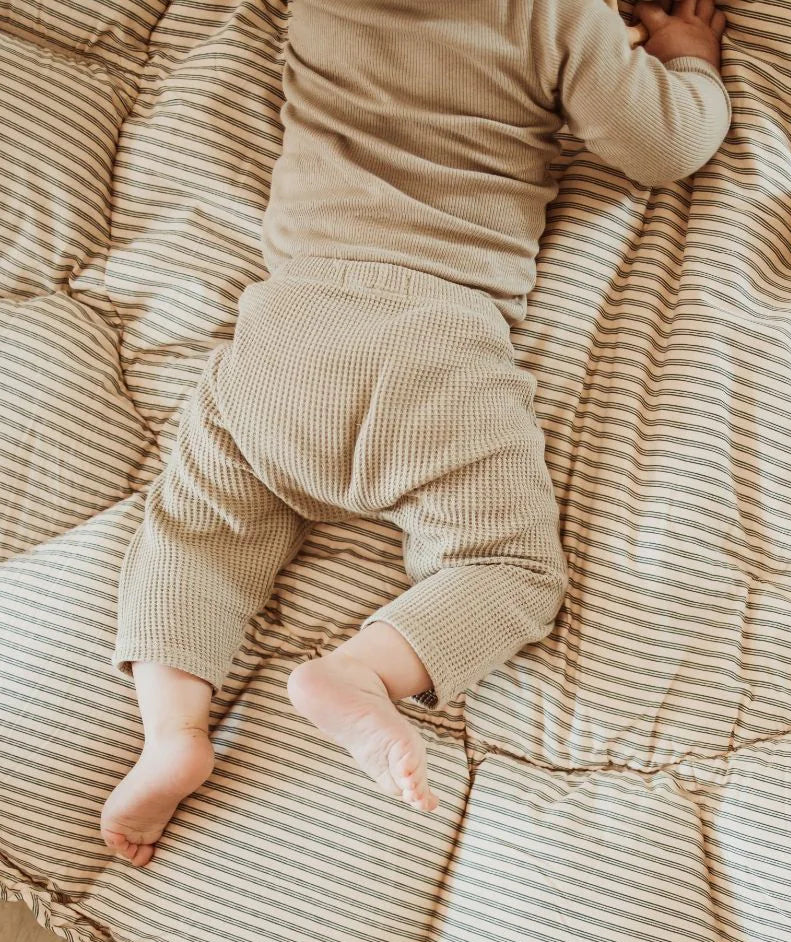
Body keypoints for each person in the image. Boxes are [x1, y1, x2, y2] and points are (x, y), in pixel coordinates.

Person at [102, 0, 730, 866]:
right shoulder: (557, 16)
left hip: (284, 334)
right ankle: (363, 671)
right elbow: (666, 147)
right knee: (506, 566)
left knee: (194, 538)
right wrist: (688, 60)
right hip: (433, 345)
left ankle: (172, 730)